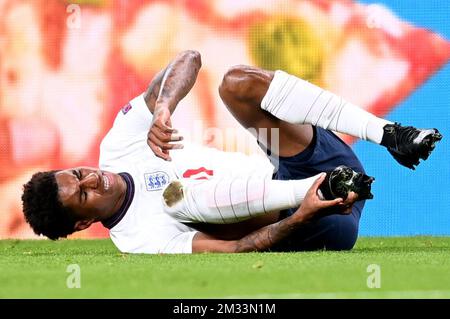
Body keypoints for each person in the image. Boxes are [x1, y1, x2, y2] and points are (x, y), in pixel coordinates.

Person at [21, 50, 441, 254]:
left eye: (78, 173)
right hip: (316, 220)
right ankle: (315, 190)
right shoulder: (137, 238)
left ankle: (391, 134)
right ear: (84, 222)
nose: (92, 179)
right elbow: (234, 251)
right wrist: (304, 212)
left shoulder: (118, 146)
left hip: (308, 165)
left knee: (236, 83)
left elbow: (188, 58)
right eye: (83, 194)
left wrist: (163, 106)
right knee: (180, 199)